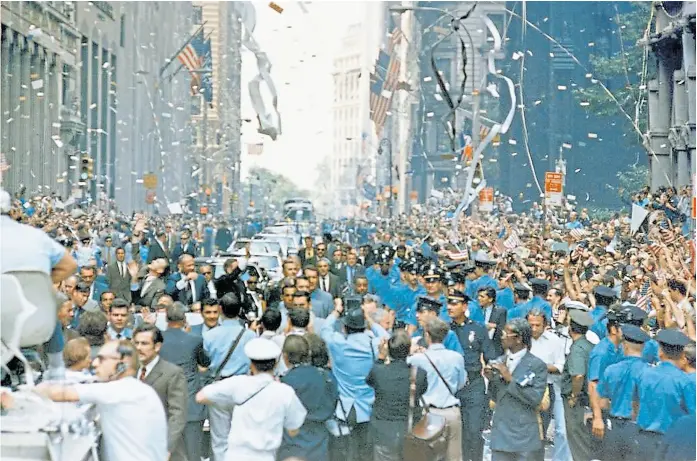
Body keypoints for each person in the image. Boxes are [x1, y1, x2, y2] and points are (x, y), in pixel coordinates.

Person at [33, 340, 167, 461]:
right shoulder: (139, 390)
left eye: (101, 359)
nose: (94, 364)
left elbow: (58, 393)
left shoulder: (121, 390)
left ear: (122, 364)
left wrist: (26, 391)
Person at [196, 338, 307, 461]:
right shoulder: (285, 392)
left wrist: (230, 401)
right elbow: (293, 429)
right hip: (266, 456)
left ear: (251, 364)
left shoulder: (237, 384)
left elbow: (200, 397)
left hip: (235, 456)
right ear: (276, 364)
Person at [320, 300, 389, 461]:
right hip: (368, 405)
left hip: (345, 407)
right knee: (366, 451)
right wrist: (369, 319)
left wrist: (336, 311)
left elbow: (324, 329)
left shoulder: (338, 343)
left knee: (345, 452)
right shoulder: (372, 344)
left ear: (345, 327)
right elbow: (386, 336)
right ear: (364, 327)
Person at [203, 291, 256, 461]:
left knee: (219, 439)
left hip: (219, 386)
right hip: (243, 388)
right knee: (243, 437)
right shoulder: (250, 335)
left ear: (219, 309)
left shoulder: (209, 336)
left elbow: (205, 363)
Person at [486, 318, 549, 461]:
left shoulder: (536, 365)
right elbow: (495, 397)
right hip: (501, 432)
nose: (502, 335)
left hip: (524, 435)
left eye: (506, 333)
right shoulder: (499, 361)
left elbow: (535, 398)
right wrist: (492, 379)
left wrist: (510, 379)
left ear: (519, 338)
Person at [408, 318, 467, 461]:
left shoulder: (420, 358)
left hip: (430, 413)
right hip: (452, 411)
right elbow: (461, 384)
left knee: (427, 455)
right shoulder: (457, 357)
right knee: (454, 456)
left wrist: (412, 350)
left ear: (427, 335)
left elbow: (404, 365)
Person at [446, 288, 495, 461]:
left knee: (473, 432)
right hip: (449, 386)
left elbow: (490, 355)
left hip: (472, 384)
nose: (450, 307)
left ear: (464, 306)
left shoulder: (477, 329)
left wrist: (491, 367)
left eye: (455, 303)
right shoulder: (444, 329)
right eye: (449, 302)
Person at [160, 303, 212, 461]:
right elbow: (205, 362)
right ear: (184, 319)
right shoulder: (195, 340)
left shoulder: (157, 339)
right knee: (193, 454)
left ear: (166, 319)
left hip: (165, 405)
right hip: (190, 405)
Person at [635, 329, 696, 461]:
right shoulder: (685, 381)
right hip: (674, 443)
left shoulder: (643, 374)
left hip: (643, 439)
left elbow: (635, 403)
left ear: (660, 352)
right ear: (682, 354)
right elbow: (693, 416)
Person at [367, 330, 427, 461]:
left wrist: (381, 357)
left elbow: (369, 381)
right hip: (410, 430)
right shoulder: (419, 374)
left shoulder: (379, 371)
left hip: (383, 431)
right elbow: (422, 390)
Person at [133, 323, 189, 461]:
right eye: (136, 343)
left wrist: (166, 448)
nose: (139, 348)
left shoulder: (172, 373)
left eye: (144, 343)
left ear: (157, 346)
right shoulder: (130, 371)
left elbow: (177, 414)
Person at [277, 335, 337, 461]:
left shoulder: (285, 382)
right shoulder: (326, 377)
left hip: (293, 444)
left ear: (285, 357)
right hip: (320, 442)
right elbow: (333, 402)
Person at [595, 325, 650, 460]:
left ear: (624, 345)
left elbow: (602, 402)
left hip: (614, 427)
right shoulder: (650, 373)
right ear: (643, 348)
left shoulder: (611, 370)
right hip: (639, 428)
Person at [527, 308, 570, 461]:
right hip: (523, 389)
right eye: (530, 325)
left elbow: (560, 366)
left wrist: (541, 367)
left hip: (545, 389)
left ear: (545, 325)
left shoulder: (554, 341)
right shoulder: (522, 339)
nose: (533, 329)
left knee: (540, 432)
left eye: (537, 325)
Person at [561, 310, 596, 461]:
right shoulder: (589, 345)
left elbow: (578, 375)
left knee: (577, 441)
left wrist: (573, 396)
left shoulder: (577, 349)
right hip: (588, 398)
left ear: (571, 328)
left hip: (578, 400)